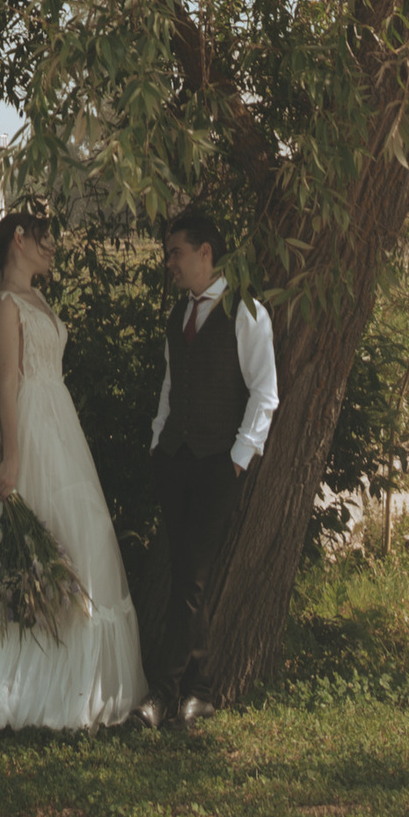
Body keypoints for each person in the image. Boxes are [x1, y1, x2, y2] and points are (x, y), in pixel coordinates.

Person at [0, 203, 149, 731]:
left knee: (84, 535)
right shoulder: (4, 307)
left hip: (61, 424)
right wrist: (13, 456)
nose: (51, 248)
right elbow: (6, 384)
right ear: (18, 238)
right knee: (50, 539)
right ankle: (31, 682)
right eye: (44, 238)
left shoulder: (38, 298)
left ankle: (87, 682)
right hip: (34, 431)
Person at [145, 202, 278, 721]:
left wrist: (238, 460)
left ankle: (161, 693)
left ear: (206, 253)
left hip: (218, 463)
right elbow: (170, 384)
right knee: (186, 576)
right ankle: (199, 690)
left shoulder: (247, 312)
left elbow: (265, 393)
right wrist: (158, 442)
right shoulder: (179, 314)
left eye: (175, 253)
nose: (169, 263)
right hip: (174, 457)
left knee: (191, 579)